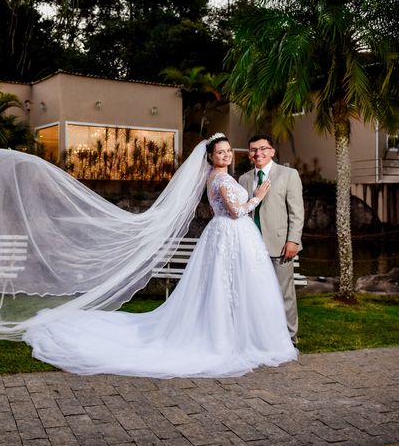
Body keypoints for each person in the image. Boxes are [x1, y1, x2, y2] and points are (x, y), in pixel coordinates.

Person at [23, 133, 297, 377]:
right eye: (220, 152)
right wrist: (258, 196)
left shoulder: (217, 177)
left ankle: (236, 333)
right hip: (230, 233)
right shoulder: (222, 178)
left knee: (225, 288)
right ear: (211, 157)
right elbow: (237, 212)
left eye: (228, 151)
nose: (226, 154)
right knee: (226, 287)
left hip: (227, 236)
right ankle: (231, 338)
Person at [239, 134, 304, 345]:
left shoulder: (288, 175)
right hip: (251, 246)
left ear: (272, 151)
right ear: (249, 154)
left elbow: (296, 212)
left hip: (280, 245)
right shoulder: (244, 179)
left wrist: (293, 240)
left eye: (263, 148)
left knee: (284, 294)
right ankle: (262, 337)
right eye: (253, 150)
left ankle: (290, 339)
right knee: (256, 295)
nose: (258, 153)